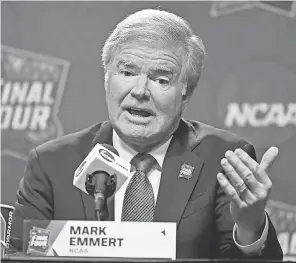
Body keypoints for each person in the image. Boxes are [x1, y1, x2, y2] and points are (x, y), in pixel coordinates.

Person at [10, 9, 282, 259]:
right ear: (107, 79)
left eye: (161, 79)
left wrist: (250, 229)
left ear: (186, 92)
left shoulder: (222, 160)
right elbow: (20, 255)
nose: (140, 90)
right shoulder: (52, 163)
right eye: (127, 72)